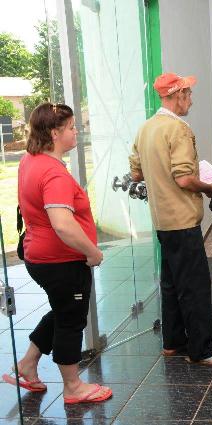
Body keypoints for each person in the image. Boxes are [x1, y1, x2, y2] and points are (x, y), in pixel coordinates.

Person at [2, 103, 112, 404]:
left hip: (40, 257)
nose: (78, 131)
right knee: (71, 320)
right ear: (54, 133)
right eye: (72, 127)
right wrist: (92, 252)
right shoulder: (54, 174)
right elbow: (63, 225)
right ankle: (73, 386)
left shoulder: (30, 160)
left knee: (63, 309)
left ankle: (27, 364)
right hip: (61, 261)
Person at [129, 72, 212, 367]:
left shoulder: (146, 129)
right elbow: (185, 177)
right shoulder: (178, 130)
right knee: (195, 287)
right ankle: (202, 350)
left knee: (172, 283)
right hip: (183, 221)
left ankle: (173, 342)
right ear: (176, 96)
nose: (190, 100)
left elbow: (136, 173)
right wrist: (210, 187)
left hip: (161, 219)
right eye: (187, 94)